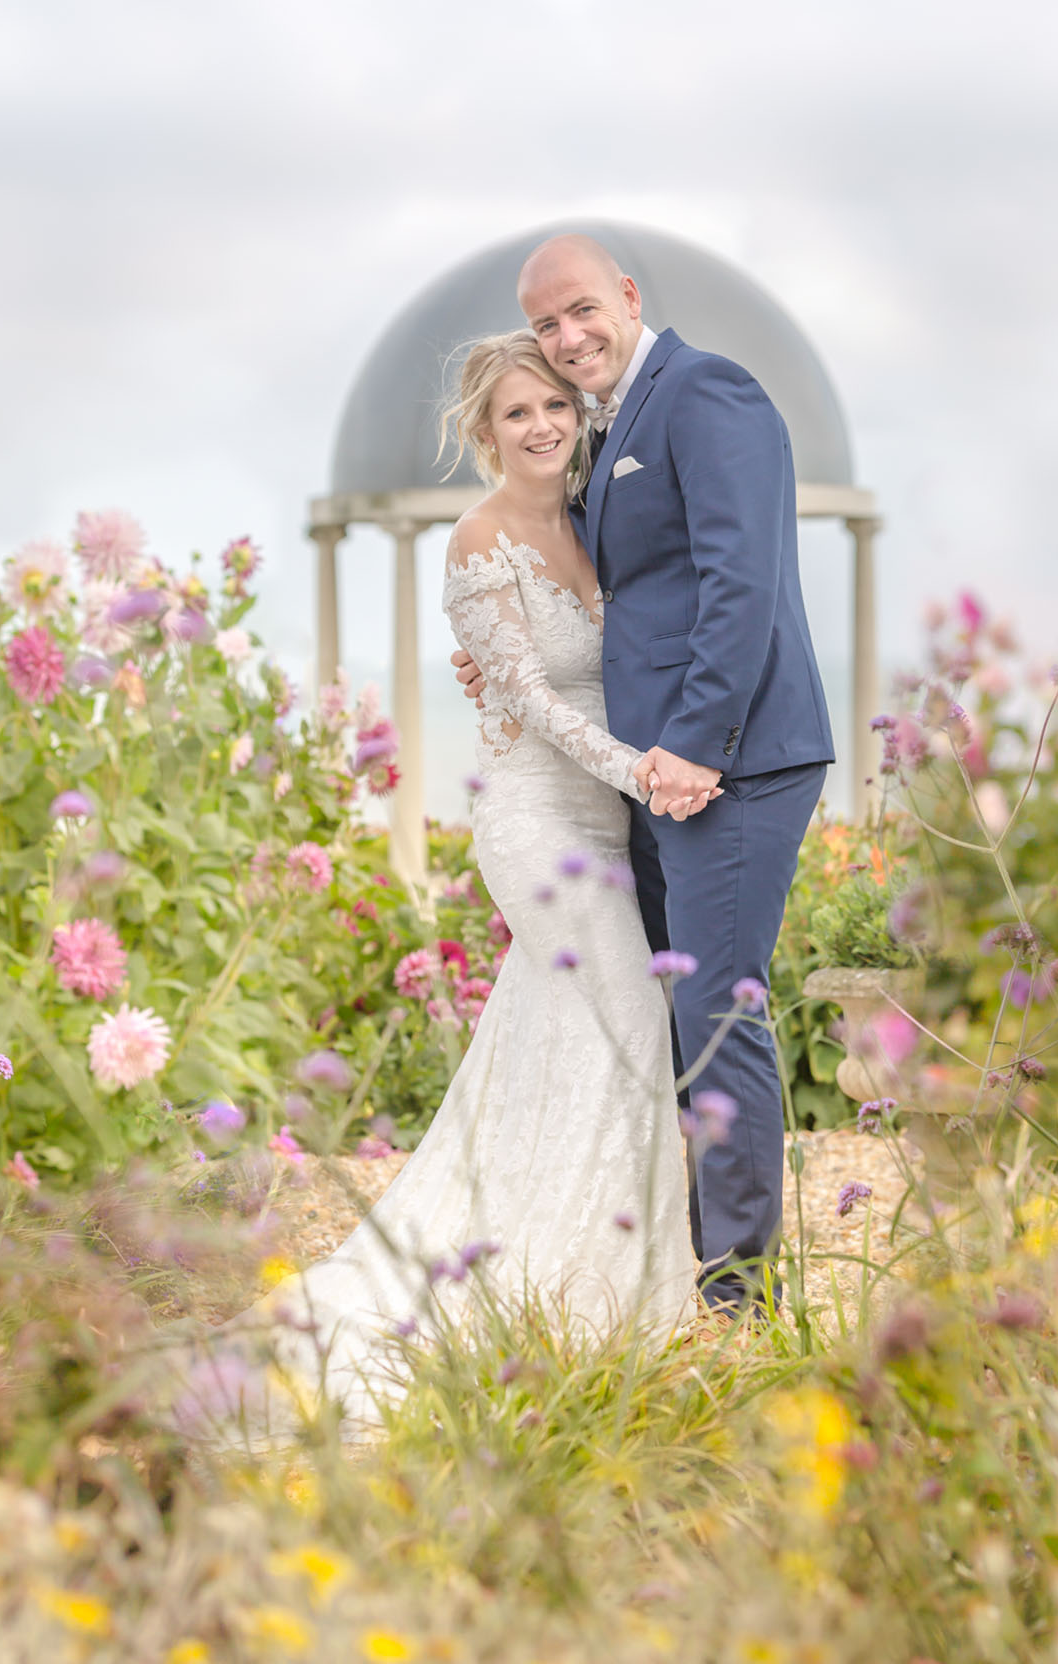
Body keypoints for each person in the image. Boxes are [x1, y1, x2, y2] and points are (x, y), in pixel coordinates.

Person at [214, 331, 702, 1436]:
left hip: (612, 818)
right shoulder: (479, 541)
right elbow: (526, 700)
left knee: (572, 1044)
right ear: (483, 434)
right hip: (538, 825)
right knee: (624, 1022)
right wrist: (645, 770)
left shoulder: (587, 524)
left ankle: (596, 1295)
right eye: (518, 413)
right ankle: (584, 1301)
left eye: (555, 407)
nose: (542, 426)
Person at [453, 234, 834, 1319]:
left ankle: (738, 1297)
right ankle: (680, 1260)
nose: (568, 340)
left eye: (581, 311)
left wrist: (698, 749)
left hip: (732, 760)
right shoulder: (603, 429)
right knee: (677, 1014)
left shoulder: (706, 391)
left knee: (719, 1012)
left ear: (626, 295)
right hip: (651, 773)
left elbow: (739, 583)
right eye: (546, 327)